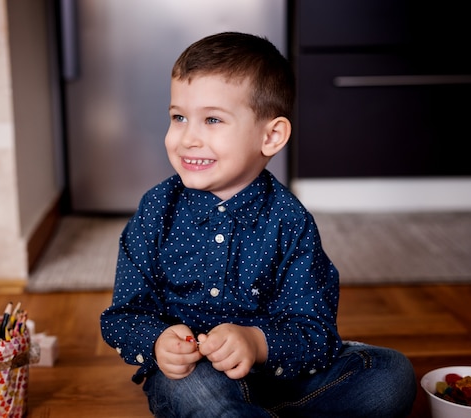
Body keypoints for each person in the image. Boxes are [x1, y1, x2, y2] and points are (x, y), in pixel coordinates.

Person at [100, 32, 417, 417]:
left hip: (283, 376)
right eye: (179, 117)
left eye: (212, 119)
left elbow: (315, 332)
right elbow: (122, 316)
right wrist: (157, 342)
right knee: (194, 391)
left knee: (390, 372)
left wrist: (256, 342)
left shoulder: (290, 221)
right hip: (198, 379)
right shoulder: (156, 211)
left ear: (271, 136)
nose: (187, 138)